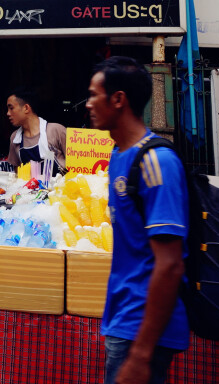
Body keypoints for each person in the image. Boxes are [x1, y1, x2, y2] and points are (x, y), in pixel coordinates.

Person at [86, 56, 188, 384]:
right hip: (123, 317)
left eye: (94, 95)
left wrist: (142, 353)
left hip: (142, 328)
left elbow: (170, 264)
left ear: (118, 100)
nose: (88, 104)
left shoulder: (157, 162)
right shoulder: (118, 156)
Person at [0, 87, 67, 173]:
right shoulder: (15, 138)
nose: (8, 113)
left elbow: (77, 165)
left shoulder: (56, 130)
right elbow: (18, 172)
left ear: (26, 108)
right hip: (31, 186)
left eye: (11, 108)